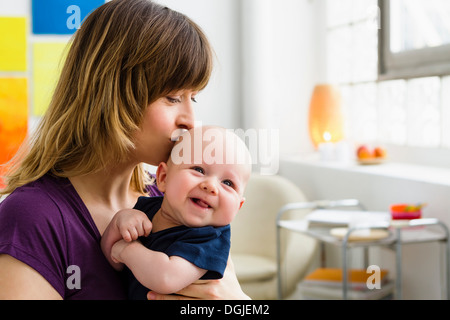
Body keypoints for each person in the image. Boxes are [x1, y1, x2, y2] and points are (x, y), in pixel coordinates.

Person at [0, 0, 250, 300]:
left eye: (192, 98)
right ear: (111, 93)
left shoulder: (170, 201)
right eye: (172, 97)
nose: (190, 121)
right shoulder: (33, 218)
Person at [101, 126, 252, 299]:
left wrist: (126, 249)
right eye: (198, 170)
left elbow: (166, 278)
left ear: (238, 207)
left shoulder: (210, 239)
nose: (211, 186)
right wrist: (118, 222)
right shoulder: (146, 209)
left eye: (228, 183)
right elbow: (111, 258)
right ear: (163, 177)